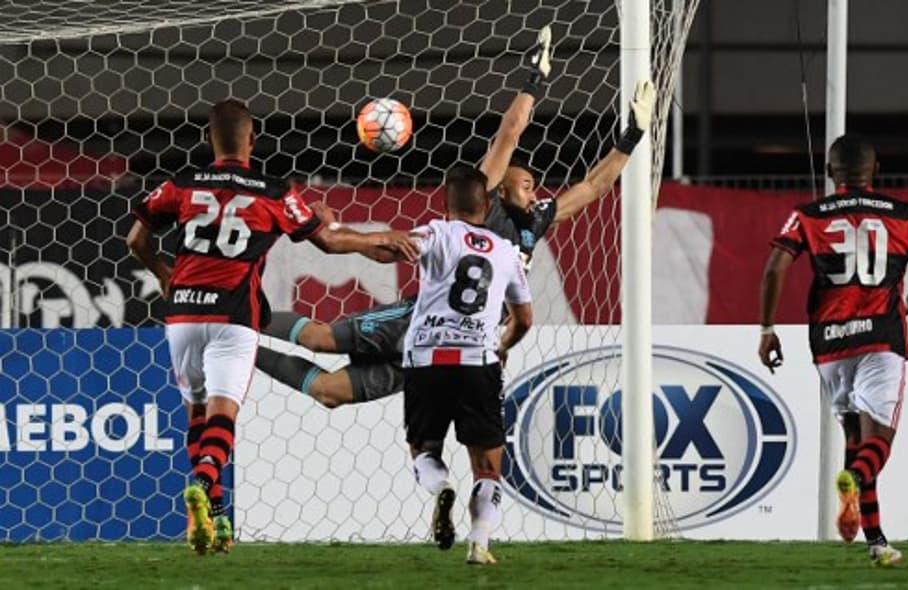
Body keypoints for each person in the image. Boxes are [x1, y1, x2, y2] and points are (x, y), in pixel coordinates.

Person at [255, 28, 655, 412]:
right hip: (421, 321)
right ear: (497, 191)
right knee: (321, 338)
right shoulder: (481, 210)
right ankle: (238, 324)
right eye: (528, 184)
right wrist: (534, 79)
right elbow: (510, 133)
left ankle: (241, 349)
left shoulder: (537, 222)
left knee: (329, 392)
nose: (536, 193)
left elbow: (591, 187)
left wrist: (632, 136)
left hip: (449, 349)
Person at [126, 99, 417, 555]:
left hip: (182, 315)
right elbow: (329, 241)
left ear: (209, 140)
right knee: (223, 416)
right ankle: (204, 484)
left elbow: (136, 238)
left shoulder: (181, 184)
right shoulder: (272, 190)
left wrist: (165, 275)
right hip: (233, 319)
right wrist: (378, 238)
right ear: (253, 140)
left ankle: (215, 517)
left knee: (197, 415)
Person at [758, 134, 908, 566]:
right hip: (881, 335)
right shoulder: (904, 215)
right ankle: (853, 480)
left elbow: (774, 268)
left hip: (830, 342)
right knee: (877, 442)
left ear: (830, 174)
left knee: (853, 438)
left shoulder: (807, 215)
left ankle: (877, 541)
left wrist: (767, 328)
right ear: (876, 171)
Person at [402, 165, 532, 564]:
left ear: (445, 204)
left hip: (426, 357)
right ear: (488, 204)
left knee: (423, 448)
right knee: (487, 467)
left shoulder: (436, 233)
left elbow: (392, 247)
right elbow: (524, 318)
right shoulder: (506, 251)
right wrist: (502, 341)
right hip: (478, 359)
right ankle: (479, 543)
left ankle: (440, 485)